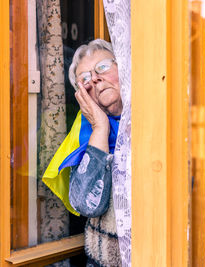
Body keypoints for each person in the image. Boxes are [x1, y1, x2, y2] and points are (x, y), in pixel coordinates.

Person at [67, 39, 123, 267]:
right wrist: (100, 127)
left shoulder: (153, 114)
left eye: (102, 67)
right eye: (85, 79)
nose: (96, 78)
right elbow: (87, 204)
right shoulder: (87, 132)